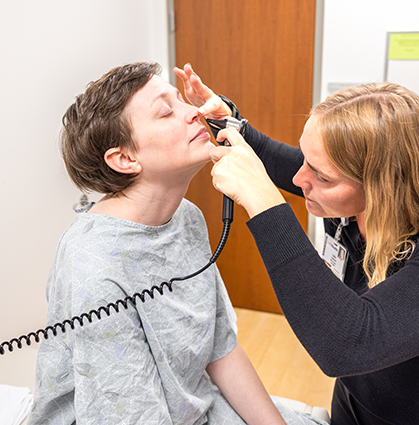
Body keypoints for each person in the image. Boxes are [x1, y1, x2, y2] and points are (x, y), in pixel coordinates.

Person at [177, 64, 419, 425]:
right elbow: (288, 162)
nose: (298, 178)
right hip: (354, 406)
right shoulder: (351, 205)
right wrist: (232, 126)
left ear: (384, 185)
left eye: (320, 175)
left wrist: (263, 202)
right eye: (306, 160)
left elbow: (349, 345)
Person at [28, 62, 326, 425]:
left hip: (195, 405)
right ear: (125, 159)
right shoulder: (94, 269)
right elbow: (130, 415)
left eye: (180, 101)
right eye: (167, 112)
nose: (195, 112)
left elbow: (220, 348)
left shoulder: (186, 216)